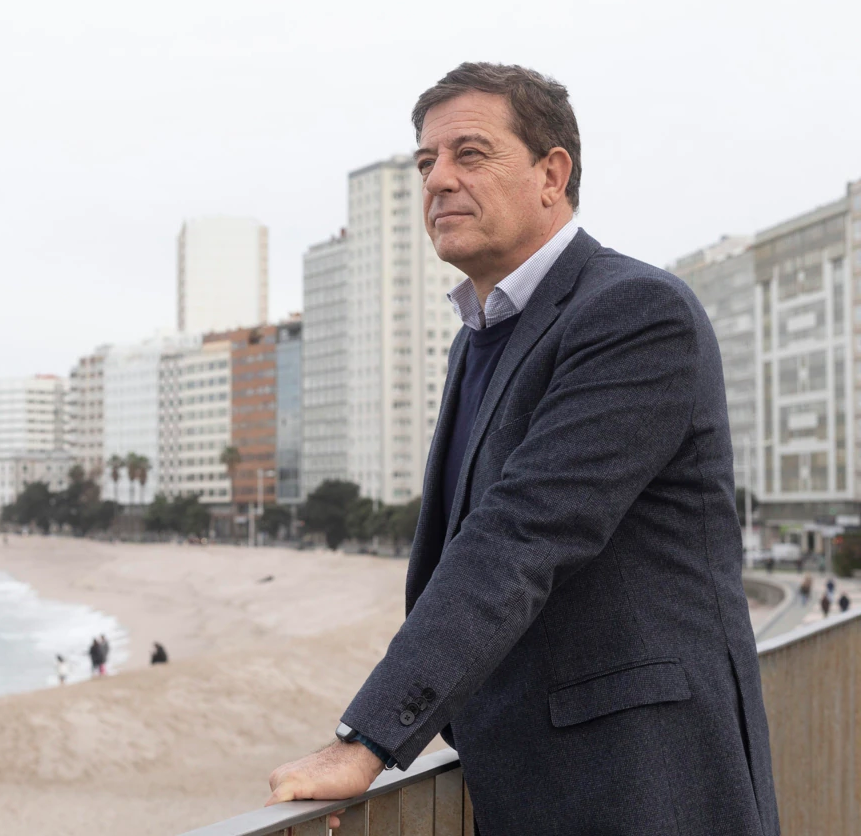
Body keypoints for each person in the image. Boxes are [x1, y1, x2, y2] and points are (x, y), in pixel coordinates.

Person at [266, 62, 778, 836]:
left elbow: (521, 534)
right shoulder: (479, 337)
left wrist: (368, 739)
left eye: (469, 154)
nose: (437, 180)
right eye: (425, 162)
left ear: (552, 173)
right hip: (528, 776)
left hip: (643, 780)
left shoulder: (634, 312)